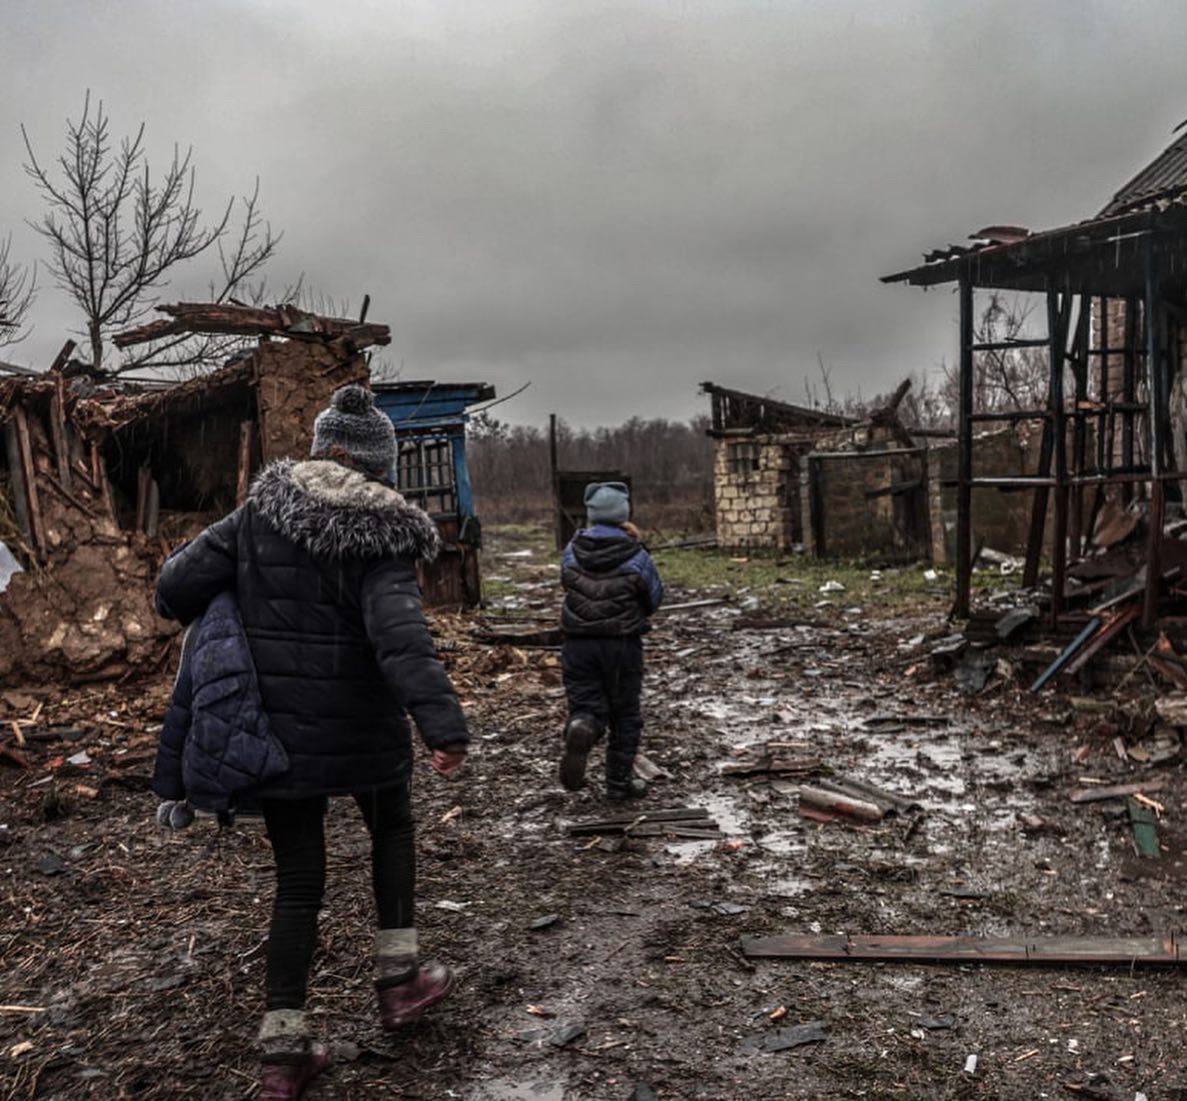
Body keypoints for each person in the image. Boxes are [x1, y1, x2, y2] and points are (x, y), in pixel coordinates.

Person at [153, 383, 470, 1101]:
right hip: (365, 729)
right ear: (371, 463)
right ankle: (400, 980)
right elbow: (401, 639)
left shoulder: (259, 512)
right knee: (392, 827)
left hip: (278, 734)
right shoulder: (384, 529)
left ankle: (283, 1054)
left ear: (322, 447)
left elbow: (174, 588)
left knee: (299, 883)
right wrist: (441, 724)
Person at [558, 481, 663, 801]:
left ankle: (583, 725)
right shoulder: (637, 555)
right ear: (624, 514)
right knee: (625, 714)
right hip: (622, 645)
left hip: (578, 644)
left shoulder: (572, 551)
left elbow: (567, 584)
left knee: (587, 703)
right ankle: (618, 784)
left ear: (591, 515)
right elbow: (654, 597)